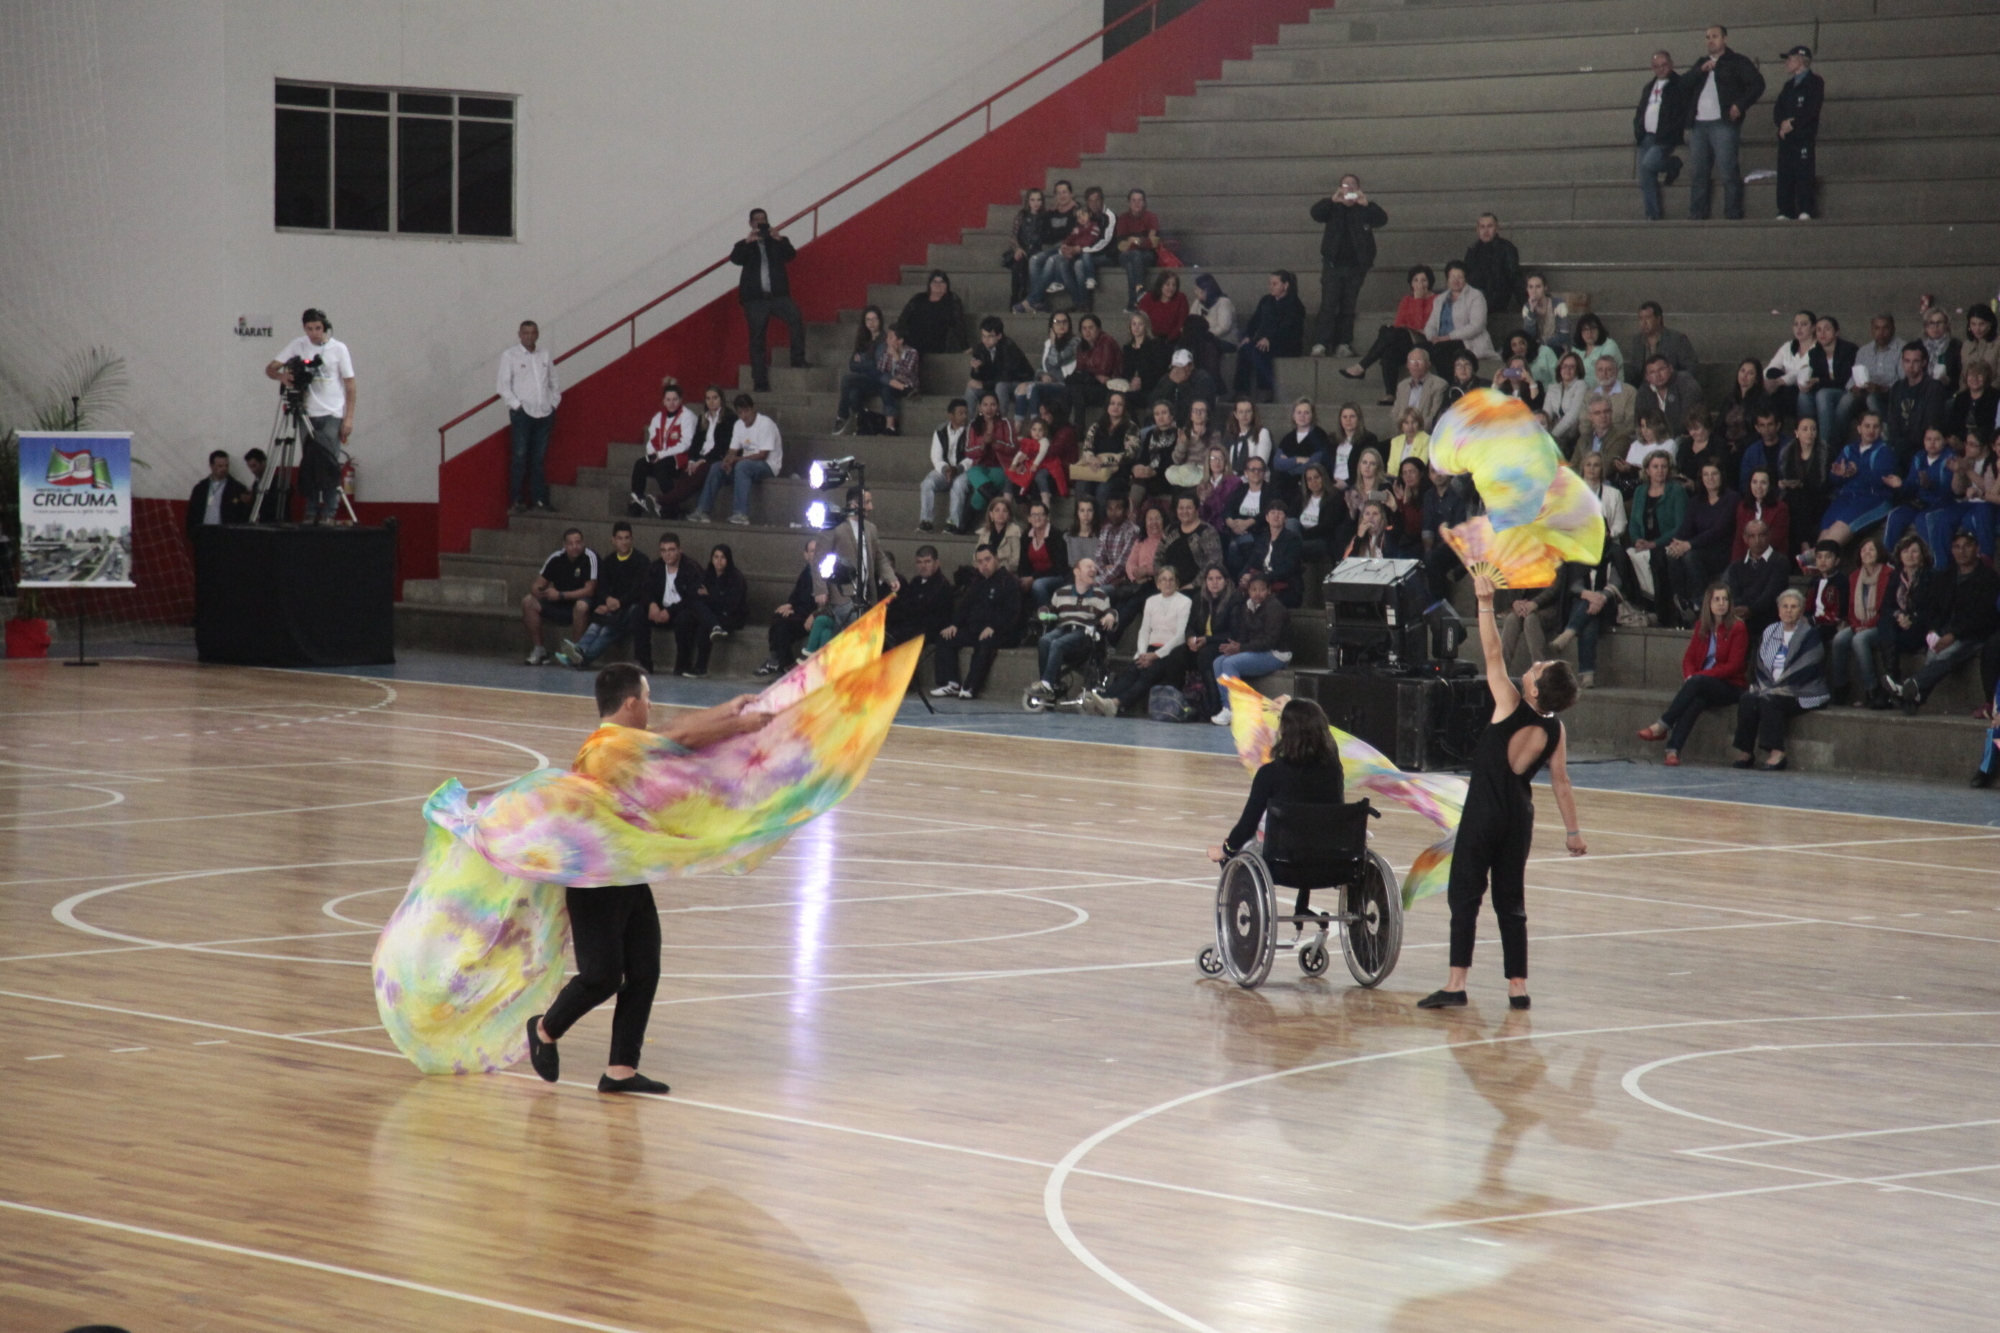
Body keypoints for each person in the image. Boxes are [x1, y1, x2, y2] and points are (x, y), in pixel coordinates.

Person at [525, 664, 769, 1095]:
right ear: (631, 702)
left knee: (644, 969)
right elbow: (681, 739)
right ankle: (545, 1028)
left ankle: (620, 1070)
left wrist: (727, 710)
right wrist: (739, 726)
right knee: (601, 976)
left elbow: (672, 730)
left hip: (628, 873)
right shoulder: (608, 749)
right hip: (596, 881)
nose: (651, 706)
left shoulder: (622, 740)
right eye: (648, 698)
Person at [1418, 573, 1585, 1010]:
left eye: (1539, 668)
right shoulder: (1556, 728)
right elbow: (1562, 782)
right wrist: (1573, 832)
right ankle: (1518, 988)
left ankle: (1456, 984)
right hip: (1519, 818)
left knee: (1464, 896)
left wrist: (1485, 602)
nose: (1536, 663)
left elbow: (1492, 652)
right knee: (1511, 901)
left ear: (1534, 688)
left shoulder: (1510, 702)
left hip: (1484, 813)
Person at [1206, 697, 1347, 928]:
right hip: (1331, 865)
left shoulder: (1270, 774)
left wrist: (1224, 849)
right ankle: (1302, 905)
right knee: (1311, 832)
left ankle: (1246, 926)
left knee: (1235, 851)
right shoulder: (1333, 771)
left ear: (1285, 732)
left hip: (1283, 866)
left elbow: (1247, 825)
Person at [1638, 582, 1751, 765]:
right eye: (1717, 599)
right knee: (1696, 701)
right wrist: (1691, 677)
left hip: (1731, 686)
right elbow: (1688, 659)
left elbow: (1734, 666)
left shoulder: (1738, 628)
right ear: (1708, 603)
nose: (1721, 603)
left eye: (1725, 599)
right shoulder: (1702, 626)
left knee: (1698, 683)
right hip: (1702, 684)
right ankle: (1673, 751)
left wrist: (1700, 677)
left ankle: (1662, 725)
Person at [265, 307, 355, 523]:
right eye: (309, 329)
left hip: (332, 412)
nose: (314, 333)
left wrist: (349, 417)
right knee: (310, 462)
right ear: (304, 329)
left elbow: (350, 385)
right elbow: (270, 368)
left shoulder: (338, 349)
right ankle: (311, 510)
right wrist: (282, 376)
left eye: (318, 328)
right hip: (307, 411)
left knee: (329, 462)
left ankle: (329, 512)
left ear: (325, 328)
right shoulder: (298, 345)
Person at [1896, 531, 2000, 713]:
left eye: (1967, 546)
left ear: (1977, 548)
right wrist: (1934, 630)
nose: (1962, 551)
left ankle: (1910, 686)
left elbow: (1982, 617)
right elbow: (1935, 609)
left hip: (1974, 634)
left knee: (1947, 654)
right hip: (1946, 630)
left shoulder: (1988, 578)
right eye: (1957, 547)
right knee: (1933, 654)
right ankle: (1915, 697)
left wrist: (1953, 635)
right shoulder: (1946, 576)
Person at [1732, 589, 1829, 770]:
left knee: (1771, 699)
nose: (1788, 610)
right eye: (1785, 606)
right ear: (1778, 610)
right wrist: (1767, 687)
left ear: (1801, 611)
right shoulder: (1770, 631)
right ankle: (1746, 751)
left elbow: (1807, 667)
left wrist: (1777, 689)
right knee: (1748, 698)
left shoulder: (1810, 634)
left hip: (1802, 691)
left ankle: (1777, 753)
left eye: (1794, 607)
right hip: (1769, 687)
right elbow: (1760, 664)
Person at [1680, 24, 1765, 221]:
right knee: (1698, 173)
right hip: (1699, 123)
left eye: (1715, 36)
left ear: (1725, 39)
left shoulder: (1737, 61)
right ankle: (1697, 213)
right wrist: (1699, 71)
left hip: (1723, 122)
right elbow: (1682, 85)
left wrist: (1740, 105)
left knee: (1728, 170)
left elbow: (1757, 84)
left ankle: (1732, 213)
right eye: (1707, 37)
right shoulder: (1701, 62)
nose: (1710, 40)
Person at [1083, 564, 1193, 716]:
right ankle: (1101, 701)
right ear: (1158, 583)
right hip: (1149, 648)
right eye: (1163, 579)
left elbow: (1180, 636)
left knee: (1148, 675)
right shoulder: (1151, 601)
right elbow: (1144, 630)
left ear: (1177, 583)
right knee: (1132, 672)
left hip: (1170, 652)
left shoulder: (1185, 602)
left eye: (1171, 580)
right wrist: (1142, 653)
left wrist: (1155, 655)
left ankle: (1116, 703)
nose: (1167, 583)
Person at [1309, 173, 1387, 357]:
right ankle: (1321, 342)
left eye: (1353, 184)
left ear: (1359, 188)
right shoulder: (1332, 207)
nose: (1349, 187)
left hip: (1355, 267)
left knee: (1348, 306)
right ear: (1340, 188)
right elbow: (1315, 213)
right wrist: (1332, 200)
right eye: (1345, 184)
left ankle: (1343, 343)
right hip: (1333, 265)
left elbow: (1382, 219)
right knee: (1328, 304)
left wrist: (1366, 204)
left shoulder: (1365, 209)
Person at [730, 208, 807, 393]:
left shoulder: (777, 241)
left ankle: (797, 360)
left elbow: (791, 255)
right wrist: (748, 242)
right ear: (750, 223)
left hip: (778, 296)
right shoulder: (744, 244)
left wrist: (778, 239)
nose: (760, 222)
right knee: (757, 339)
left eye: (763, 219)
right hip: (755, 300)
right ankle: (760, 381)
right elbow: (735, 259)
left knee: (795, 317)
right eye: (756, 219)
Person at [932, 544, 1020, 700]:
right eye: (980, 561)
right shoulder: (976, 581)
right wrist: (954, 625)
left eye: (987, 559)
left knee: (985, 643)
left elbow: (1011, 611)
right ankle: (951, 683)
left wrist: (993, 626)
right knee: (945, 637)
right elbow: (965, 606)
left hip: (1000, 631)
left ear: (996, 559)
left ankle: (970, 686)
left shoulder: (1008, 581)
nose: (984, 564)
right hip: (975, 628)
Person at [561, 521, 650, 668]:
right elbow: (602, 587)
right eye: (620, 538)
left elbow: (638, 590)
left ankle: (580, 660)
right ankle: (579, 650)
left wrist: (618, 603)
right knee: (595, 626)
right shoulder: (608, 561)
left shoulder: (642, 561)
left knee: (607, 630)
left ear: (632, 539)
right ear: (613, 540)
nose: (624, 542)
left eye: (627, 538)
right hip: (611, 607)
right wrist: (607, 601)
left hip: (629, 609)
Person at [1342, 264, 1436, 401]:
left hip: (1424, 341)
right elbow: (1398, 324)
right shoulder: (1406, 300)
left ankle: (1362, 366)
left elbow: (1421, 325)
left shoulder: (1436, 300)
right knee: (1388, 348)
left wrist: (1418, 300)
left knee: (1389, 333)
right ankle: (1390, 394)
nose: (1419, 284)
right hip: (1405, 339)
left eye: (1423, 280)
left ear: (1430, 282)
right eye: (1415, 280)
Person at [1031, 558, 1117, 701]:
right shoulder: (1061, 593)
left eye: (1094, 567)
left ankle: (1046, 684)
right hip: (1064, 628)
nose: (1093, 570)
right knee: (1044, 641)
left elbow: (1110, 612)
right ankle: (1050, 683)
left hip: (1085, 634)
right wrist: (1043, 611)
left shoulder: (1100, 595)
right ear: (1076, 572)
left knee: (1057, 643)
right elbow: (1050, 609)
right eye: (1088, 566)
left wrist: (1111, 615)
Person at [690, 393, 782, 526]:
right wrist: (727, 460)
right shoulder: (738, 425)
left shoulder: (765, 423)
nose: (744, 416)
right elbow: (732, 450)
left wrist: (736, 459)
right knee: (716, 467)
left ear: (753, 409)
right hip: (745, 464)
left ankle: (741, 514)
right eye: (740, 413)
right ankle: (702, 510)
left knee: (742, 466)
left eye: (747, 411)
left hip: (768, 465)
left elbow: (763, 455)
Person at [1209, 571, 1292, 716]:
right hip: (1255, 650)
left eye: (1262, 589)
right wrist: (1233, 646)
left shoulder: (1275, 608)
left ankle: (1235, 709)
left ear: (1269, 590)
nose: (1257, 593)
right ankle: (1227, 706)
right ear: (1248, 590)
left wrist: (1241, 648)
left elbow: (1269, 641)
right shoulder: (1247, 606)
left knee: (1230, 663)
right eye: (1254, 589)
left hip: (1276, 654)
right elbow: (1244, 634)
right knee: (1218, 662)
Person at [498, 319, 560, 514]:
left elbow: (553, 381)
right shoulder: (510, 355)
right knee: (519, 457)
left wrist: (553, 403)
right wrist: (518, 407)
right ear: (519, 334)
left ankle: (540, 500)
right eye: (525, 333)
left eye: (533, 332)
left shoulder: (545, 354)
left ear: (537, 334)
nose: (529, 336)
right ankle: (517, 501)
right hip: (523, 414)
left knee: (538, 459)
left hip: (545, 413)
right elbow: (503, 386)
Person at [1666, 460, 1738, 626]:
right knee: (1672, 556)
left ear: (1721, 476)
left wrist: (1689, 544)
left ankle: (1702, 604)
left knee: (1690, 556)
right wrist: (1675, 544)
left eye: (1714, 474)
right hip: (1699, 549)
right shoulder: (1696, 501)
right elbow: (1685, 529)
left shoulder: (1732, 498)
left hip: (1721, 551)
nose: (1710, 478)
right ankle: (1682, 604)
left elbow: (1719, 530)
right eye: (1706, 474)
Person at [638, 532, 714, 677]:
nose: (667, 554)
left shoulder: (691, 568)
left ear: (680, 549)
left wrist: (670, 611)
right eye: (663, 550)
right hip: (661, 610)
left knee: (684, 619)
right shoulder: (656, 567)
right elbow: (645, 590)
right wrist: (652, 604)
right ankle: (644, 662)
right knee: (638, 613)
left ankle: (683, 665)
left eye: (671, 550)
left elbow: (693, 598)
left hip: (682, 611)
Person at [1819, 412, 1900, 545]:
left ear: (1881, 429)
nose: (1871, 430)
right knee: (1823, 535)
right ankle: (1810, 557)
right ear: (1859, 428)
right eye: (1867, 426)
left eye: (1875, 427)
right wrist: (1839, 474)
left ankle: (1812, 556)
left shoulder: (1886, 451)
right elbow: (1834, 480)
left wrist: (1856, 472)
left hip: (1873, 499)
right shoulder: (1849, 449)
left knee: (1832, 538)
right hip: (1845, 498)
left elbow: (1882, 480)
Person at [1829, 535, 1892, 705]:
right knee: (1839, 639)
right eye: (1864, 550)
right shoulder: (1854, 576)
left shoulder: (1888, 573)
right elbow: (1851, 607)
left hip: (1881, 624)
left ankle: (1872, 689)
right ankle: (1841, 686)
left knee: (1859, 640)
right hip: (1859, 623)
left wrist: (1868, 625)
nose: (1867, 553)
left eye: (1871, 549)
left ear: (1879, 552)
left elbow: (1887, 608)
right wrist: (1856, 625)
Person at [522, 528, 598, 665]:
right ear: (564, 545)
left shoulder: (590, 557)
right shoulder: (556, 558)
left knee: (581, 606)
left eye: (578, 543)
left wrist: (561, 595)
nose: (574, 547)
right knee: (528, 601)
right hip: (559, 603)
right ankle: (539, 650)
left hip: (581, 604)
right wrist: (542, 592)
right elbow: (536, 585)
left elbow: (590, 590)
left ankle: (576, 652)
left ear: (583, 543)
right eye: (570, 543)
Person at [1628, 451, 1687, 620]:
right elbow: (1633, 522)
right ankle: (1638, 607)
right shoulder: (1640, 491)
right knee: (1626, 557)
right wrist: (1637, 540)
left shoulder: (1677, 491)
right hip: (1644, 544)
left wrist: (1654, 543)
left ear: (1669, 469)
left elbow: (1680, 526)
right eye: (1655, 466)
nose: (1660, 470)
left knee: (1657, 558)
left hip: (1667, 543)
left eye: (1664, 466)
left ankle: (1660, 612)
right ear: (1647, 470)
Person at [1549, 554, 1623, 689]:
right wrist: (1588, 595)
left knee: (1588, 612)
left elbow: (1616, 583)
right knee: (1588, 615)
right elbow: (1575, 586)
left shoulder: (1611, 555)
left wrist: (1601, 598)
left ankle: (1568, 634)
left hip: (1607, 607)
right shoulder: (1578, 558)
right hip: (1581, 605)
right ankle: (1588, 676)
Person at [1634, 49, 1691, 221]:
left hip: (1665, 135)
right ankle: (1652, 215)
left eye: (1664, 65)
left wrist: (1674, 129)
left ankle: (1674, 163)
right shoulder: (1649, 87)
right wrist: (1638, 129)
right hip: (1646, 135)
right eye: (1656, 66)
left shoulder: (1679, 85)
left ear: (1671, 65)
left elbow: (1682, 111)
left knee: (1649, 164)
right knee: (1645, 178)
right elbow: (1641, 110)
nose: (1661, 69)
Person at [835, 319, 918, 436]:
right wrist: (888, 356)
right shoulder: (886, 349)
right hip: (883, 381)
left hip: (900, 385)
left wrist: (896, 357)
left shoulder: (912, 353)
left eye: (891, 337)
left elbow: (905, 374)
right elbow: (881, 369)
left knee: (885, 386)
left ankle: (890, 427)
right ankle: (856, 420)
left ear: (900, 341)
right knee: (851, 386)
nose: (887, 340)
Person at [1234, 270, 1306, 401]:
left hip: (1286, 344)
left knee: (1262, 350)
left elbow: (1287, 329)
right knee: (1245, 349)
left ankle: (1265, 391)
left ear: (1286, 285)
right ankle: (1241, 392)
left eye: (1275, 284)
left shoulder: (1295, 305)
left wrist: (1270, 339)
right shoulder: (1266, 301)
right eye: (1270, 283)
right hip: (1263, 340)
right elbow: (1254, 321)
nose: (1271, 287)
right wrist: (1247, 336)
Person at [1772, 45, 1824, 220]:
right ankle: (1785, 209)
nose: (1786, 63)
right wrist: (1782, 124)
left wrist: (1793, 123)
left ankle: (1805, 208)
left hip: (1803, 137)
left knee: (1804, 172)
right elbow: (1778, 109)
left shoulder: (1815, 82)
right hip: (1787, 138)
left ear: (1800, 60)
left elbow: (1812, 109)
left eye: (1790, 59)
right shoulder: (1788, 86)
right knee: (1785, 174)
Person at [1885, 427, 1956, 554]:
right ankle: (1887, 559)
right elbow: (1911, 487)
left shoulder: (1950, 458)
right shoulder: (1919, 456)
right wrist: (1901, 484)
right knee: (1895, 515)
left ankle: (1936, 559)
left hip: (1943, 503)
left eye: (1937, 439)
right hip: (1921, 502)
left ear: (1945, 440)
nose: (1932, 443)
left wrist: (1929, 485)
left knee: (1924, 518)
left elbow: (1951, 490)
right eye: (1928, 439)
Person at [631, 380, 697, 518]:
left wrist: (661, 455)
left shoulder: (688, 416)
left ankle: (672, 505)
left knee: (661, 466)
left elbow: (686, 444)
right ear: (663, 401)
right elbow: (651, 441)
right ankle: (638, 501)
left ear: (681, 400)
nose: (671, 403)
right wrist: (652, 455)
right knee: (640, 464)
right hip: (661, 457)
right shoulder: (658, 417)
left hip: (680, 458)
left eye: (675, 399)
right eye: (668, 399)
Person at [755, 539, 821, 676]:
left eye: (817, 551)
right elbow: (797, 594)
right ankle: (782, 661)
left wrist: (794, 610)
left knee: (781, 623)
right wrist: (789, 604)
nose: (815, 554)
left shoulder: (823, 573)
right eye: (812, 551)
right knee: (778, 618)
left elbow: (816, 602)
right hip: (800, 612)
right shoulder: (806, 572)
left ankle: (779, 661)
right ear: (806, 554)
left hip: (812, 615)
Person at [1883, 344, 1951, 468]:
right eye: (1907, 361)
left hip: (1921, 444)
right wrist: (1896, 440)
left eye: (1916, 361)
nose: (1910, 366)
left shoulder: (1933, 388)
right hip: (1899, 443)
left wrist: (1906, 442)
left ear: (1924, 363)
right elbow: (1892, 419)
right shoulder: (1897, 387)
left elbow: (1931, 421)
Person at [1421, 261, 1496, 371]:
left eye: (1460, 277)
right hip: (1440, 342)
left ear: (1465, 279)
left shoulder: (1476, 296)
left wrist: (1447, 337)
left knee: (1441, 350)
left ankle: (1448, 381)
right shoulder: (1440, 299)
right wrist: (1432, 338)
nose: (1455, 281)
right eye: (1452, 277)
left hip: (1465, 342)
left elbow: (1477, 326)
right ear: (1447, 279)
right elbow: (1430, 325)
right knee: (1419, 349)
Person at [1724, 518, 1791, 638]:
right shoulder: (1736, 566)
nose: (1757, 540)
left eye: (1762, 535)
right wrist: (1742, 610)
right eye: (1752, 536)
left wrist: (1751, 610)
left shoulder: (1780, 562)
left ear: (1769, 536)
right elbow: (1735, 596)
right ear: (1745, 539)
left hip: (1770, 619)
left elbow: (1770, 595)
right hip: (1743, 619)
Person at [1803, 314, 1862, 447]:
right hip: (1827, 393)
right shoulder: (1814, 353)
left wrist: (1819, 380)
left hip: (1847, 390)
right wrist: (1810, 384)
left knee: (1823, 394)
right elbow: (1817, 381)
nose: (1822, 333)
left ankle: (1824, 446)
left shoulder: (1849, 349)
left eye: (1827, 329)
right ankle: (1805, 436)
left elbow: (1844, 380)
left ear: (1837, 332)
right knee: (1805, 395)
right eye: (1819, 330)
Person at [886, 545, 956, 651]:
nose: (923, 566)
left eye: (927, 562)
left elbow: (934, 617)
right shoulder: (916, 581)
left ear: (937, 563)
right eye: (919, 562)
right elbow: (904, 605)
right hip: (911, 627)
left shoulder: (942, 586)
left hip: (928, 630)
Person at [967, 316, 1034, 425]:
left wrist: (983, 385)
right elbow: (977, 377)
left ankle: (1001, 424)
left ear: (999, 336)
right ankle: (967, 426)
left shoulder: (1009, 347)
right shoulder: (981, 348)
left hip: (1018, 383)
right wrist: (976, 369)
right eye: (983, 336)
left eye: (990, 336)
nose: (985, 340)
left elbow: (1006, 376)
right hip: (994, 383)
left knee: (1001, 386)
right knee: (971, 389)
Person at [919, 398, 972, 534]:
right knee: (927, 483)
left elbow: (972, 456)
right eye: (960, 413)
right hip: (946, 470)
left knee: (959, 485)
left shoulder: (971, 431)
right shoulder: (940, 431)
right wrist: (946, 469)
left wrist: (957, 469)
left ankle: (953, 523)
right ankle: (926, 521)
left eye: (966, 413)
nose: (964, 416)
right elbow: (936, 456)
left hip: (964, 470)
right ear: (951, 416)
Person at [1020, 311, 1080, 425]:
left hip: (1064, 383)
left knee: (1033, 388)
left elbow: (1055, 361)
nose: (1061, 325)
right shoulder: (1048, 343)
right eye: (1057, 322)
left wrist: (1053, 343)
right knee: (1021, 390)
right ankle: (1018, 426)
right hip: (1049, 383)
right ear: (1051, 325)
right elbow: (1041, 367)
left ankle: (1036, 424)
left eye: (1065, 322)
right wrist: (1043, 375)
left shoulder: (1074, 342)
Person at [1462, 213, 1524, 317]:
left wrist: (1524, 304)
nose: (1486, 230)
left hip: (1497, 299)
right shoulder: (1472, 250)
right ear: (1477, 230)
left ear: (1497, 228)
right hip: (1475, 298)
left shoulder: (1507, 248)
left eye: (1490, 226)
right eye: (1482, 227)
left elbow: (1514, 277)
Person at [1112, 188, 1162, 311]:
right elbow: (1122, 245)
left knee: (1132, 264)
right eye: (1133, 200)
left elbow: (1154, 243)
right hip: (1126, 255)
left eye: (1140, 200)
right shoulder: (1123, 218)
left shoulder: (1151, 217)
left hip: (1148, 255)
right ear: (1129, 203)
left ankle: (1132, 304)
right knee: (1134, 256)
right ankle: (1140, 291)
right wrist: (1143, 241)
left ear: (1144, 202)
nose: (1137, 203)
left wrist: (1135, 241)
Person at [898, 270, 969, 354]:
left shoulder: (952, 300)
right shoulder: (919, 298)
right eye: (934, 281)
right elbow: (903, 318)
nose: (938, 285)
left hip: (936, 342)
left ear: (947, 285)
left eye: (942, 282)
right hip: (913, 338)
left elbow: (958, 324)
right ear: (929, 285)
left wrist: (965, 346)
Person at [1630, 302, 1701, 385]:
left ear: (1658, 319)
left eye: (1648, 318)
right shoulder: (1637, 340)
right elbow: (1636, 371)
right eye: (1641, 318)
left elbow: (1691, 368)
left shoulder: (1677, 339)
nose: (1643, 322)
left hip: (1673, 386)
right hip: (1645, 388)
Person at [184, 450, 246, 543]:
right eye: (220, 466)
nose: (224, 469)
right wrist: (192, 533)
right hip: (203, 535)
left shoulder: (237, 489)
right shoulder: (200, 488)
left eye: (226, 466)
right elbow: (192, 513)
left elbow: (242, 516)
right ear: (211, 466)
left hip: (226, 537)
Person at [1730, 467, 1791, 562]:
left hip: (1771, 561)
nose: (1758, 486)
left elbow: (1775, 540)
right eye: (1754, 482)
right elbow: (1739, 540)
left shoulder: (1781, 508)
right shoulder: (1743, 507)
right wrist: (1735, 566)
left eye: (1763, 483)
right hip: (1746, 560)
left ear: (1770, 485)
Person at [699, 542, 749, 639]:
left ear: (728, 559)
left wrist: (709, 595)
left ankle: (716, 627)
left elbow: (731, 603)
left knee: (705, 626)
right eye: (716, 557)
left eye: (723, 557)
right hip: (712, 612)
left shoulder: (736, 577)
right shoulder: (707, 574)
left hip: (732, 615)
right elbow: (700, 595)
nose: (719, 561)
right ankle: (715, 626)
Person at [1138, 270, 1189, 344]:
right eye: (1168, 284)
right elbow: (1142, 320)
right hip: (1150, 339)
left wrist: (1169, 340)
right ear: (1160, 285)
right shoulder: (1148, 298)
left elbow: (1182, 323)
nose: (1171, 288)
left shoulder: (1181, 298)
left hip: (1173, 341)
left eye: (1174, 285)